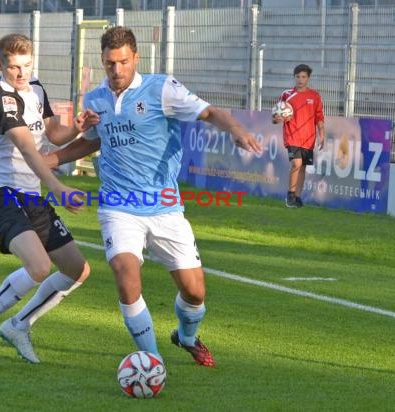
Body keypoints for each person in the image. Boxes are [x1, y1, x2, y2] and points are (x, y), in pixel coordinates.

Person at [45, 26, 262, 367]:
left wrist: (235, 129)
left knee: (195, 292)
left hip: (165, 207)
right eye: (109, 63)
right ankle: (152, 361)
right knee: (124, 271)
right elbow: (94, 140)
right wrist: (49, 161)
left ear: (136, 58)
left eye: (123, 62)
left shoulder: (161, 89)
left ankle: (186, 337)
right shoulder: (94, 99)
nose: (116, 70)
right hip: (118, 205)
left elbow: (209, 112)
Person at [0, 33, 98, 368]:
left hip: (29, 195)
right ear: (1, 65)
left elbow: (53, 135)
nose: (21, 73)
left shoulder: (36, 88)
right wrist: (58, 187)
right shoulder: (2, 99)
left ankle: (19, 325)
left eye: (26, 65)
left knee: (77, 270)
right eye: (13, 67)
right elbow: (27, 148)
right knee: (39, 267)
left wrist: (78, 127)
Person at [272, 64, 325, 208]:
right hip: (292, 136)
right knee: (296, 163)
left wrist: (322, 135)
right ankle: (290, 193)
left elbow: (319, 117)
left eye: (303, 77)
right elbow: (276, 116)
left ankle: (297, 197)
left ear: (308, 78)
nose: (300, 79)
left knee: (302, 167)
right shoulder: (287, 95)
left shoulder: (315, 96)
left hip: (308, 138)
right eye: (298, 77)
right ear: (294, 77)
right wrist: (277, 119)